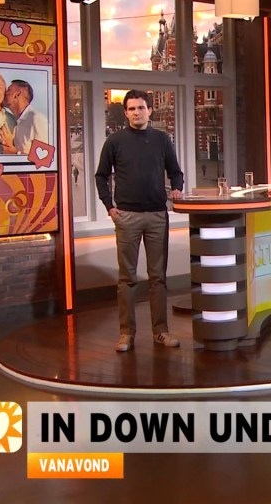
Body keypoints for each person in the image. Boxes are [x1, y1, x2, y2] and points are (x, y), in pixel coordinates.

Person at [95, 90, 184, 352]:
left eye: (141, 108)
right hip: (127, 217)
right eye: (132, 109)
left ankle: (161, 332)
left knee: (158, 278)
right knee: (127, 278)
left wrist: (177, 188)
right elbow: (101, 176)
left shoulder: (161, 139)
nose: (137, 112)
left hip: (157, 215)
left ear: (149, 111)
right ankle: (126, 334)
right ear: (125, 113)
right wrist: (109, 206)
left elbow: (175, 171)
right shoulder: (115, 141)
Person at [0, 79, 48, 154]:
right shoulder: (14, 122)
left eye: (9, 90)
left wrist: (14, 153)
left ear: (17, 95)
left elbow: (45, 158)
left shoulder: (36, 119)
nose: (4, 93)